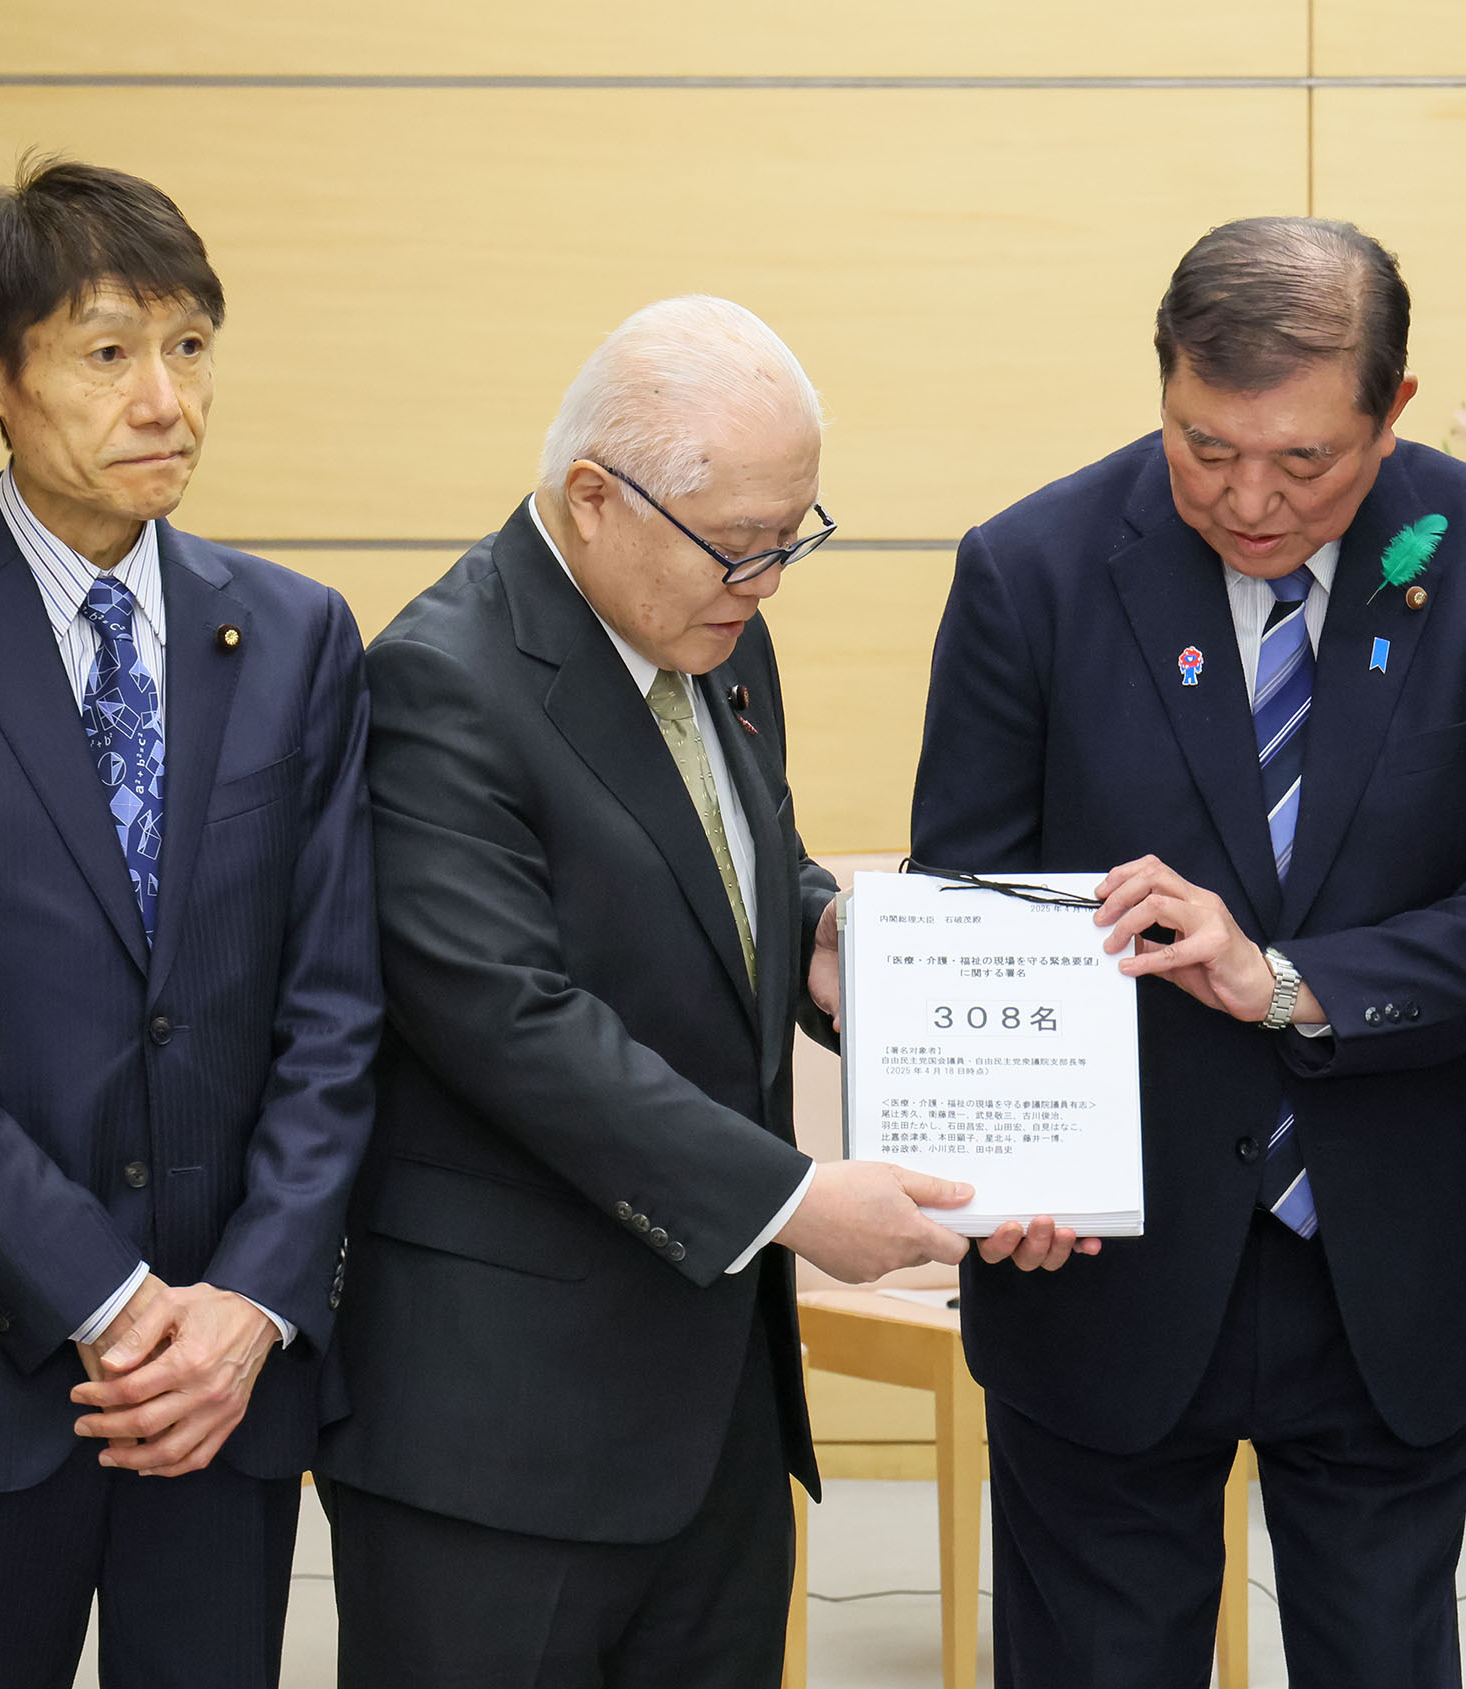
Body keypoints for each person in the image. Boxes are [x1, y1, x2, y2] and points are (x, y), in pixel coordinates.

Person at [317, 295, 1082, 1688]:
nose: (769, 581)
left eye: (796, 537)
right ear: (595, 499)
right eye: (742, 546)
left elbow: (734, 858)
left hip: (712, 1406)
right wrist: (795, 1199)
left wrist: (824, 936)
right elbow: (509, 1017)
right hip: (502, 1432)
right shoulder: (441, 683)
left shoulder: (715, 637)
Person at [911, 216, 1466, 1687]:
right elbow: (964, 912)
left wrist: (1288, 980)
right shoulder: (1030, 572)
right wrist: (998, 1165)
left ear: (1395, 410)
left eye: (1305, 461)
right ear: (1162, 378)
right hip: (1099, 1262)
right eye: (1204, 444)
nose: (1248, 498)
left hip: (1386, 1258)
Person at [0, 157, 379, 1686]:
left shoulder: (298, 637)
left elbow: (338, 1011)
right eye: (109, 352)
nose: (165, 400)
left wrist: (245, 1306)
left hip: (224, 1389)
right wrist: (108, 1302)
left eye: (190, 348)